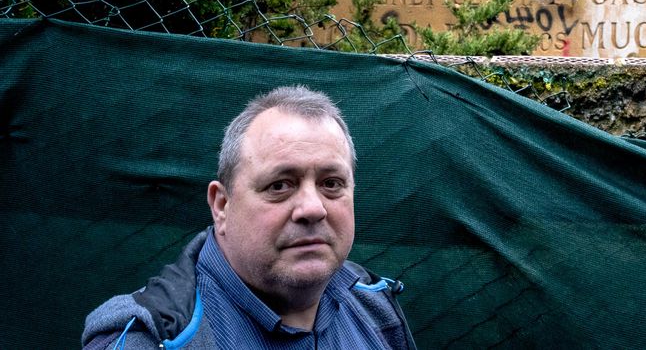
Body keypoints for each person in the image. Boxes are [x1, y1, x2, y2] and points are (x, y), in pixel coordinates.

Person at [82, 86, 416, 349]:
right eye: (280, 185)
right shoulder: (150, 340)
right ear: (222, 205)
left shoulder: (375, 308)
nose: (313, 208)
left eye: (331, 184)